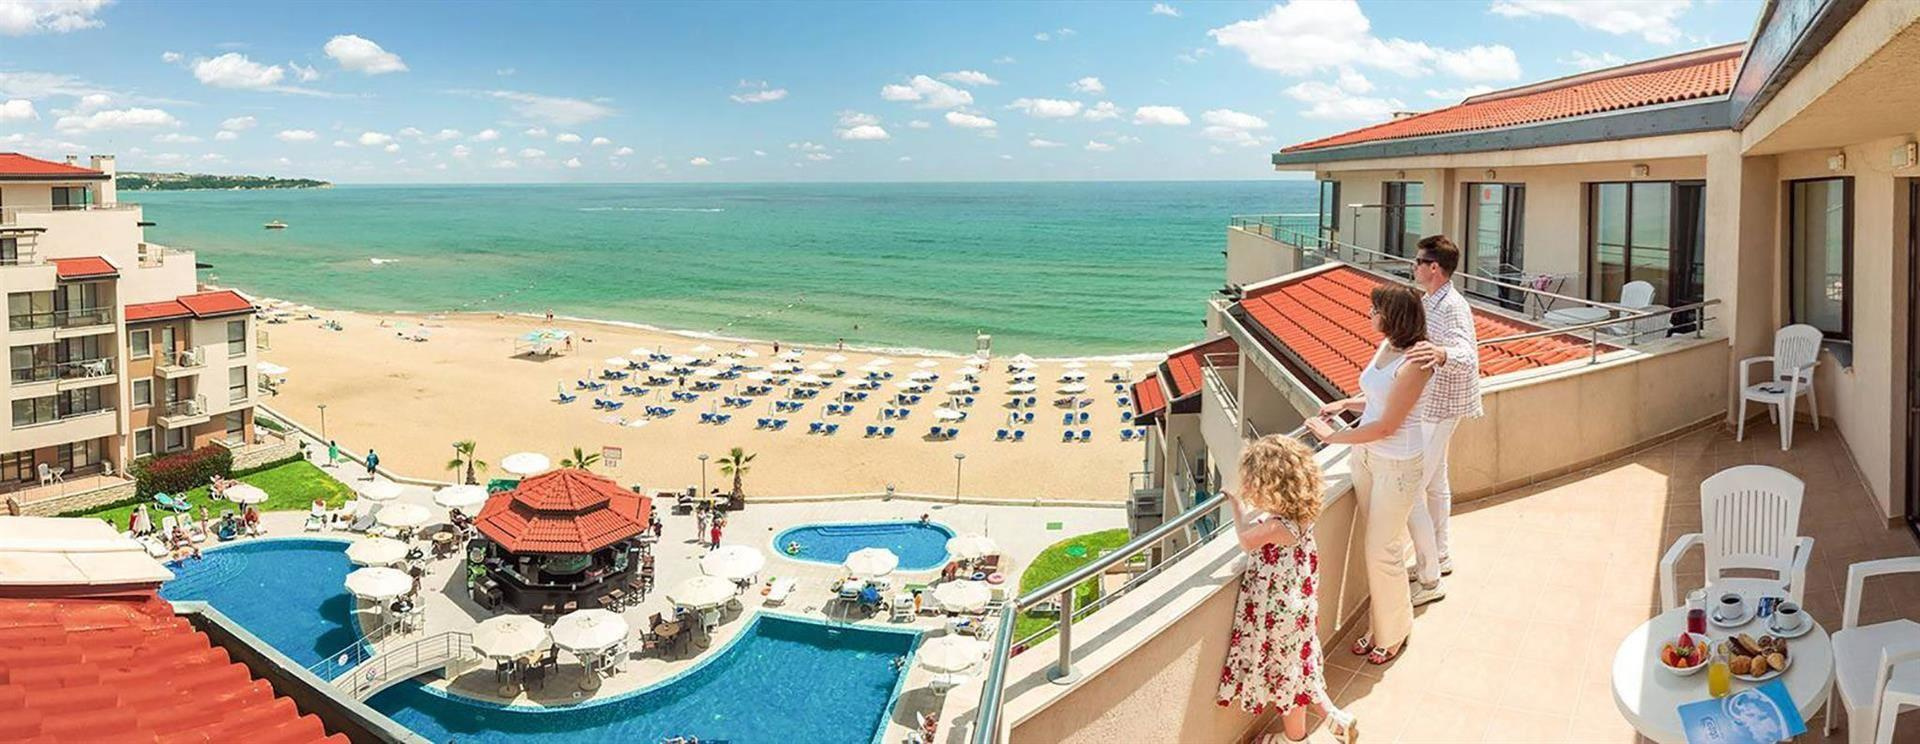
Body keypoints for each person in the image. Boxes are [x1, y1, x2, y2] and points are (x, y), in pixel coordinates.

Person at [1304, 284, 1433, 666]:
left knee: (1382, 549)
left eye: (1375, 310)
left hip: (1397, 465)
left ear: (1394, 315)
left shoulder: (1416, 362)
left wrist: (1332, 437)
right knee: (1375, 547)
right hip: (1366, 459)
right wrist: (1346, 403)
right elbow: (1379, 398)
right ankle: (1381, 624)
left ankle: (1393, 632)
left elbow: (1388, 424)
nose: (1370, 315)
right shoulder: (1387, 345)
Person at [1216, 435, 1355, 743]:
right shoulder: (1301, 516)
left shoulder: (1278, 527)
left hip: (1280, 614)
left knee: (1288, 680)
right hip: (1299, 606)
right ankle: (1336, 719)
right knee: (1301, 668)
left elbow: (1246, 540)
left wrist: (1237, 506)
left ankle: (1295, 739)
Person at [1401, 235, 1482, 606]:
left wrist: (1441, 352)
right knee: (1435, 484)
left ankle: (1430, 577)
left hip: (1442, 407)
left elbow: (1466, 353)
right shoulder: (1429, 300)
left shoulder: (1451, 306)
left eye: (1418, 261)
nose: (1413, 266)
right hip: (1435, 404)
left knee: (1413, 487)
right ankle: (1441, 555)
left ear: (1434, 267)